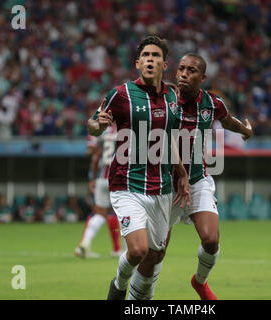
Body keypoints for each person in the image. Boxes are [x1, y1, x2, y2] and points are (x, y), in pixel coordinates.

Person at [131, 53, 253, 300]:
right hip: (165, 185)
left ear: (202, 77)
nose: (184, 74)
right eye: (181, 69)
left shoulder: (212, 103)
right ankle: (138, 300)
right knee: (156, 253)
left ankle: (200, 282)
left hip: (197, 181)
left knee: (211, 239)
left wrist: (245, 130)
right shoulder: (165, 98)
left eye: (191, 70)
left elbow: (227, 120)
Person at [87, 36, 190, 300]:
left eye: (155, 56)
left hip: (162, 188)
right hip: (126, 184)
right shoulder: (120, 94)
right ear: (137, 63)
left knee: (156, 255)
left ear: (164, 64)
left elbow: (170, 140)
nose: (150, 60)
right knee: (137, 250)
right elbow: (94, 125)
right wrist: (97, 124)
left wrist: (181, 174)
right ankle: (118, 286)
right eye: (145, 55)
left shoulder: (172, 97)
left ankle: (136, 302)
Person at [75, 126, 123, 259]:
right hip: (119, 179)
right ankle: (122, 249)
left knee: (100, 213)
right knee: (123, 214)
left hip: (102, 179)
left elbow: (95, 158)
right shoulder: (125, 129)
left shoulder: (105, 132)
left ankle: (84, 243)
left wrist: (92, 179)